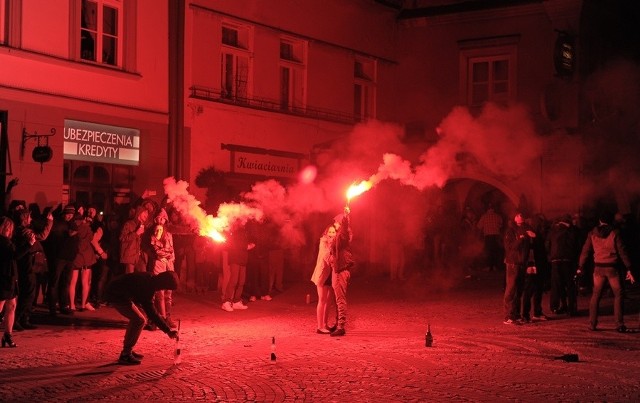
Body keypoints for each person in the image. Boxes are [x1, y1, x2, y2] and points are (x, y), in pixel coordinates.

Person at [105, 270, 179, 364]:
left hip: (119, 292)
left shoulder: (150, 278)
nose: (163, 290)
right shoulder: (148, 287)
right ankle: (125, 354)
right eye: (165, 288)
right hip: (116, 295)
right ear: (162, 285)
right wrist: (167, 330)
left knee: (140, 318)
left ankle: (128, 350)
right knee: (139, 320)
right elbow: (152, 312)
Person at [578, 211, 635, 332]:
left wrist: (580, 266)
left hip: (598, 268)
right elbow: (622, 251)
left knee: (596, 295)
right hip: (612, 268)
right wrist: (629, 268)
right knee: (618, 294)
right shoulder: (615, 233)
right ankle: (619, 324)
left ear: (600, 221)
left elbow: (585, 251)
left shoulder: (592, 234)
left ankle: (592, 324)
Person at [12, 207, 53, 329]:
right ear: (24, 218)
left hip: (30, 264)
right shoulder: (24, 231)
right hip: (28, 264)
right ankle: (18, 319)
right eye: (29, 216)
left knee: (30, 292)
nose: (31, 218)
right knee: (28, 293)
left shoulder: (23, 230)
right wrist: (49, 222)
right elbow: (42, 236)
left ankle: (24, 319)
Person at [502, 212, 536, 324]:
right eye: (518, 216)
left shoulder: (525, 230)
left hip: (522, 263)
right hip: (513, 263)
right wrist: (521, 239)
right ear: (515, 220)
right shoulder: (510, 231)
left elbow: (532, 242)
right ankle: (509, 316)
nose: (521, 218)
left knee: (519, 290)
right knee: (511, 290)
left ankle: (516, 315)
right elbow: (510, 247)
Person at [45, 205, 78, 316]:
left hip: (69, 258)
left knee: (66, 283)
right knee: (54, 282)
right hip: (59, 257)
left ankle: (64, 306)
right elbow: (54, 239)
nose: (69, 216)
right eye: (67, 214)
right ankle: (52, 307)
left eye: (71, 214)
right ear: (64, 214)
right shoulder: (59, 224)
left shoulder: (73, 223)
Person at [328, 207, 354, 337]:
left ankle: (341, 326)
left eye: (337, 222)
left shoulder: (343, 235)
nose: (335, 224)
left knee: (340, 299)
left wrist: (345, 216)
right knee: (338, 298)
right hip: (337, 269)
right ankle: (338, 323)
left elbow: (344, 230)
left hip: (341, 270)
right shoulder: (340, 235)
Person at [546, 214, 580, 316]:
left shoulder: (552, 230)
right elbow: (576, 244)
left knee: (557, 284)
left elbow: (547, 244)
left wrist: (550, 256)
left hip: (555, 260)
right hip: (567, 260)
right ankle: (571, 308)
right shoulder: (571, 230)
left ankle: (557, 306)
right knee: (570, 285)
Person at [149, 208, 177, 329]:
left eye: (163, 218)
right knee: (159, 293)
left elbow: (171, 251)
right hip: (158, 265)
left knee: (168, 293)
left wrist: (168, 255)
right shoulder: (153, 234)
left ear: (166, 220)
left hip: (169, 265)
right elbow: (156, 251)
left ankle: (168, 317)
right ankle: (160, 318)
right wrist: (165, 253)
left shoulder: (169, 234)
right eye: (158, 218)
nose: (160, 220)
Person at [68, 208, 97, 311]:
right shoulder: (87, 228)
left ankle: (72, 305)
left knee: (73, 282)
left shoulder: (73, 228)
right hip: (87, 257)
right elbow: (91, 239)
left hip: (76, 257)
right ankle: (84, 305)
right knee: (85, 282)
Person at [310, 224, 337, 334]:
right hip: (322, 274)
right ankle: (319, 326)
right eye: (329, 232)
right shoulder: (323, 242)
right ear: (326, 233)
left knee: (329, 301)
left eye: (333, 232)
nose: (331, 234)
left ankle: (325, 324)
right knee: (322, 300)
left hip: (331, 274)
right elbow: (327, 257)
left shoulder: (335, 243)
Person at [221, 223, 254, 312]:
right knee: (234, 280)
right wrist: (247, 246)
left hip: (243, 259)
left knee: (241, 281)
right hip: (235, 258)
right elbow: (233, 244)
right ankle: (226, 302)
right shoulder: (235, 229)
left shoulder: (244, 230)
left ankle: (236, 301)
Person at [0, 217, 19, 347]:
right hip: (3, 276)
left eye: (10, 228)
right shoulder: (2, 242)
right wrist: (29, 245)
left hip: (10, 276)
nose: (9, 230)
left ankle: (8, 334)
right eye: (7, 227)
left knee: (11, 305)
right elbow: (14, 255)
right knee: (1, 305)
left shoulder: (8, 241)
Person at [120, 206, 149, 274]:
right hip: (130, 256)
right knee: (130, 278)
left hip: (140, 256)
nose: (147, 214)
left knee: (143, 277)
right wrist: (136, 233)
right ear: (139, 213)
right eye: (145, 212)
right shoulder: (129, 224)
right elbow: (122, 238)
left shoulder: (144, 226)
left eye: (147, 213)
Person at [477, 205, 504, 271]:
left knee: (488, 252)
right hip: (496, 236)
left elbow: (479, 226)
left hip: (488, 237)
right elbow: (501, 225)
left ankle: (489, 267)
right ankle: (495, 266)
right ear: (493, 209)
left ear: (487, 209)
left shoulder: (484, 216)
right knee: (496, 251)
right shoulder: (498, 216)